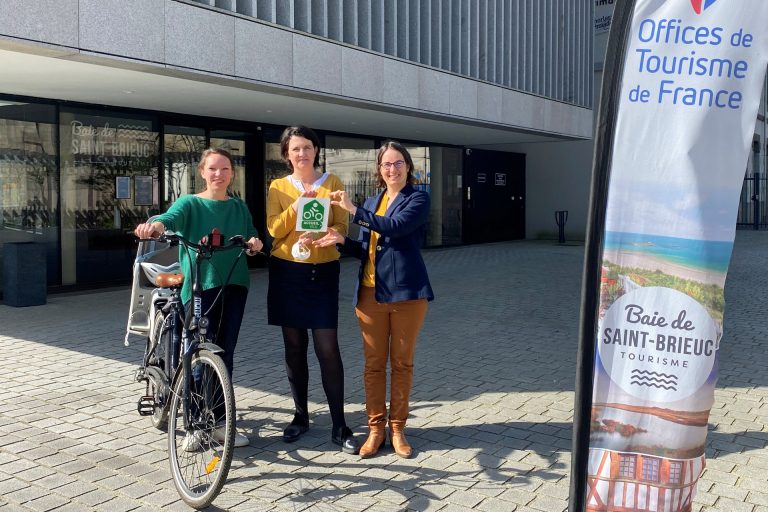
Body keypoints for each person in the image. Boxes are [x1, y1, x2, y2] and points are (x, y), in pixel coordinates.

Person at [134, 148, 263, 448]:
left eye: (225, 169)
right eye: (213, 169)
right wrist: (153, 227)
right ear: (203, 172)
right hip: (199, 286)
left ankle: (218, 421)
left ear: (232, 173)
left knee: (224, 353)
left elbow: (251, 234)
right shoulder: (189, 203)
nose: (219, 174)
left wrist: (254, 243)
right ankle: (194, 424)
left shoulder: (239, 207)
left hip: (235, 284)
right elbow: (168, 218)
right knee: (196, 352)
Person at [315, 141, 433, 459]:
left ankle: (397, 429)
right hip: (369, 295)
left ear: (408, 167)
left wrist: (354, 212)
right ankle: (375, 428)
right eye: (386, 164)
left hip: (407, 295)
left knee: (402, 364)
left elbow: (395, 228)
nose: (392, 169)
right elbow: (366, 246)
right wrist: (343, 241)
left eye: (398, 163)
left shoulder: (418, 198)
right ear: (379, 170)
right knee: (373, 366)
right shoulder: (373, 200)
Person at [266, 125, 360, 454]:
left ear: (316, 150)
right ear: (286, 155)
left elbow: (340, 223)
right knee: (294, 346)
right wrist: (296, 207)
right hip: (287, 271)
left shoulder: (331, 182)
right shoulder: (278, 186)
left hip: (322, 271)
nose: (302, 154)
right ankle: (300, 416)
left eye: (307, 147)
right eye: (295, 149)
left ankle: (339, 424)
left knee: (327, 347)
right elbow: (274, 229)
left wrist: (329, 235)